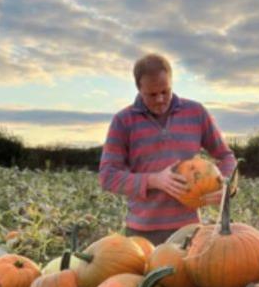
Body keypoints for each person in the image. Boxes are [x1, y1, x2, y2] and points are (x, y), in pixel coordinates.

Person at [99, 53, 237, 246]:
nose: (161, 99)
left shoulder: (195, 112)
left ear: (172, 82)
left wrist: (226, 185)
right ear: (139, 89)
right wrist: (154, 180)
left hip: (189, 230)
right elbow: (108, 176)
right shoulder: (123, 121)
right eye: (152, 94)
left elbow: (226, 156)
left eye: (166, 91)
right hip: (141, 233)